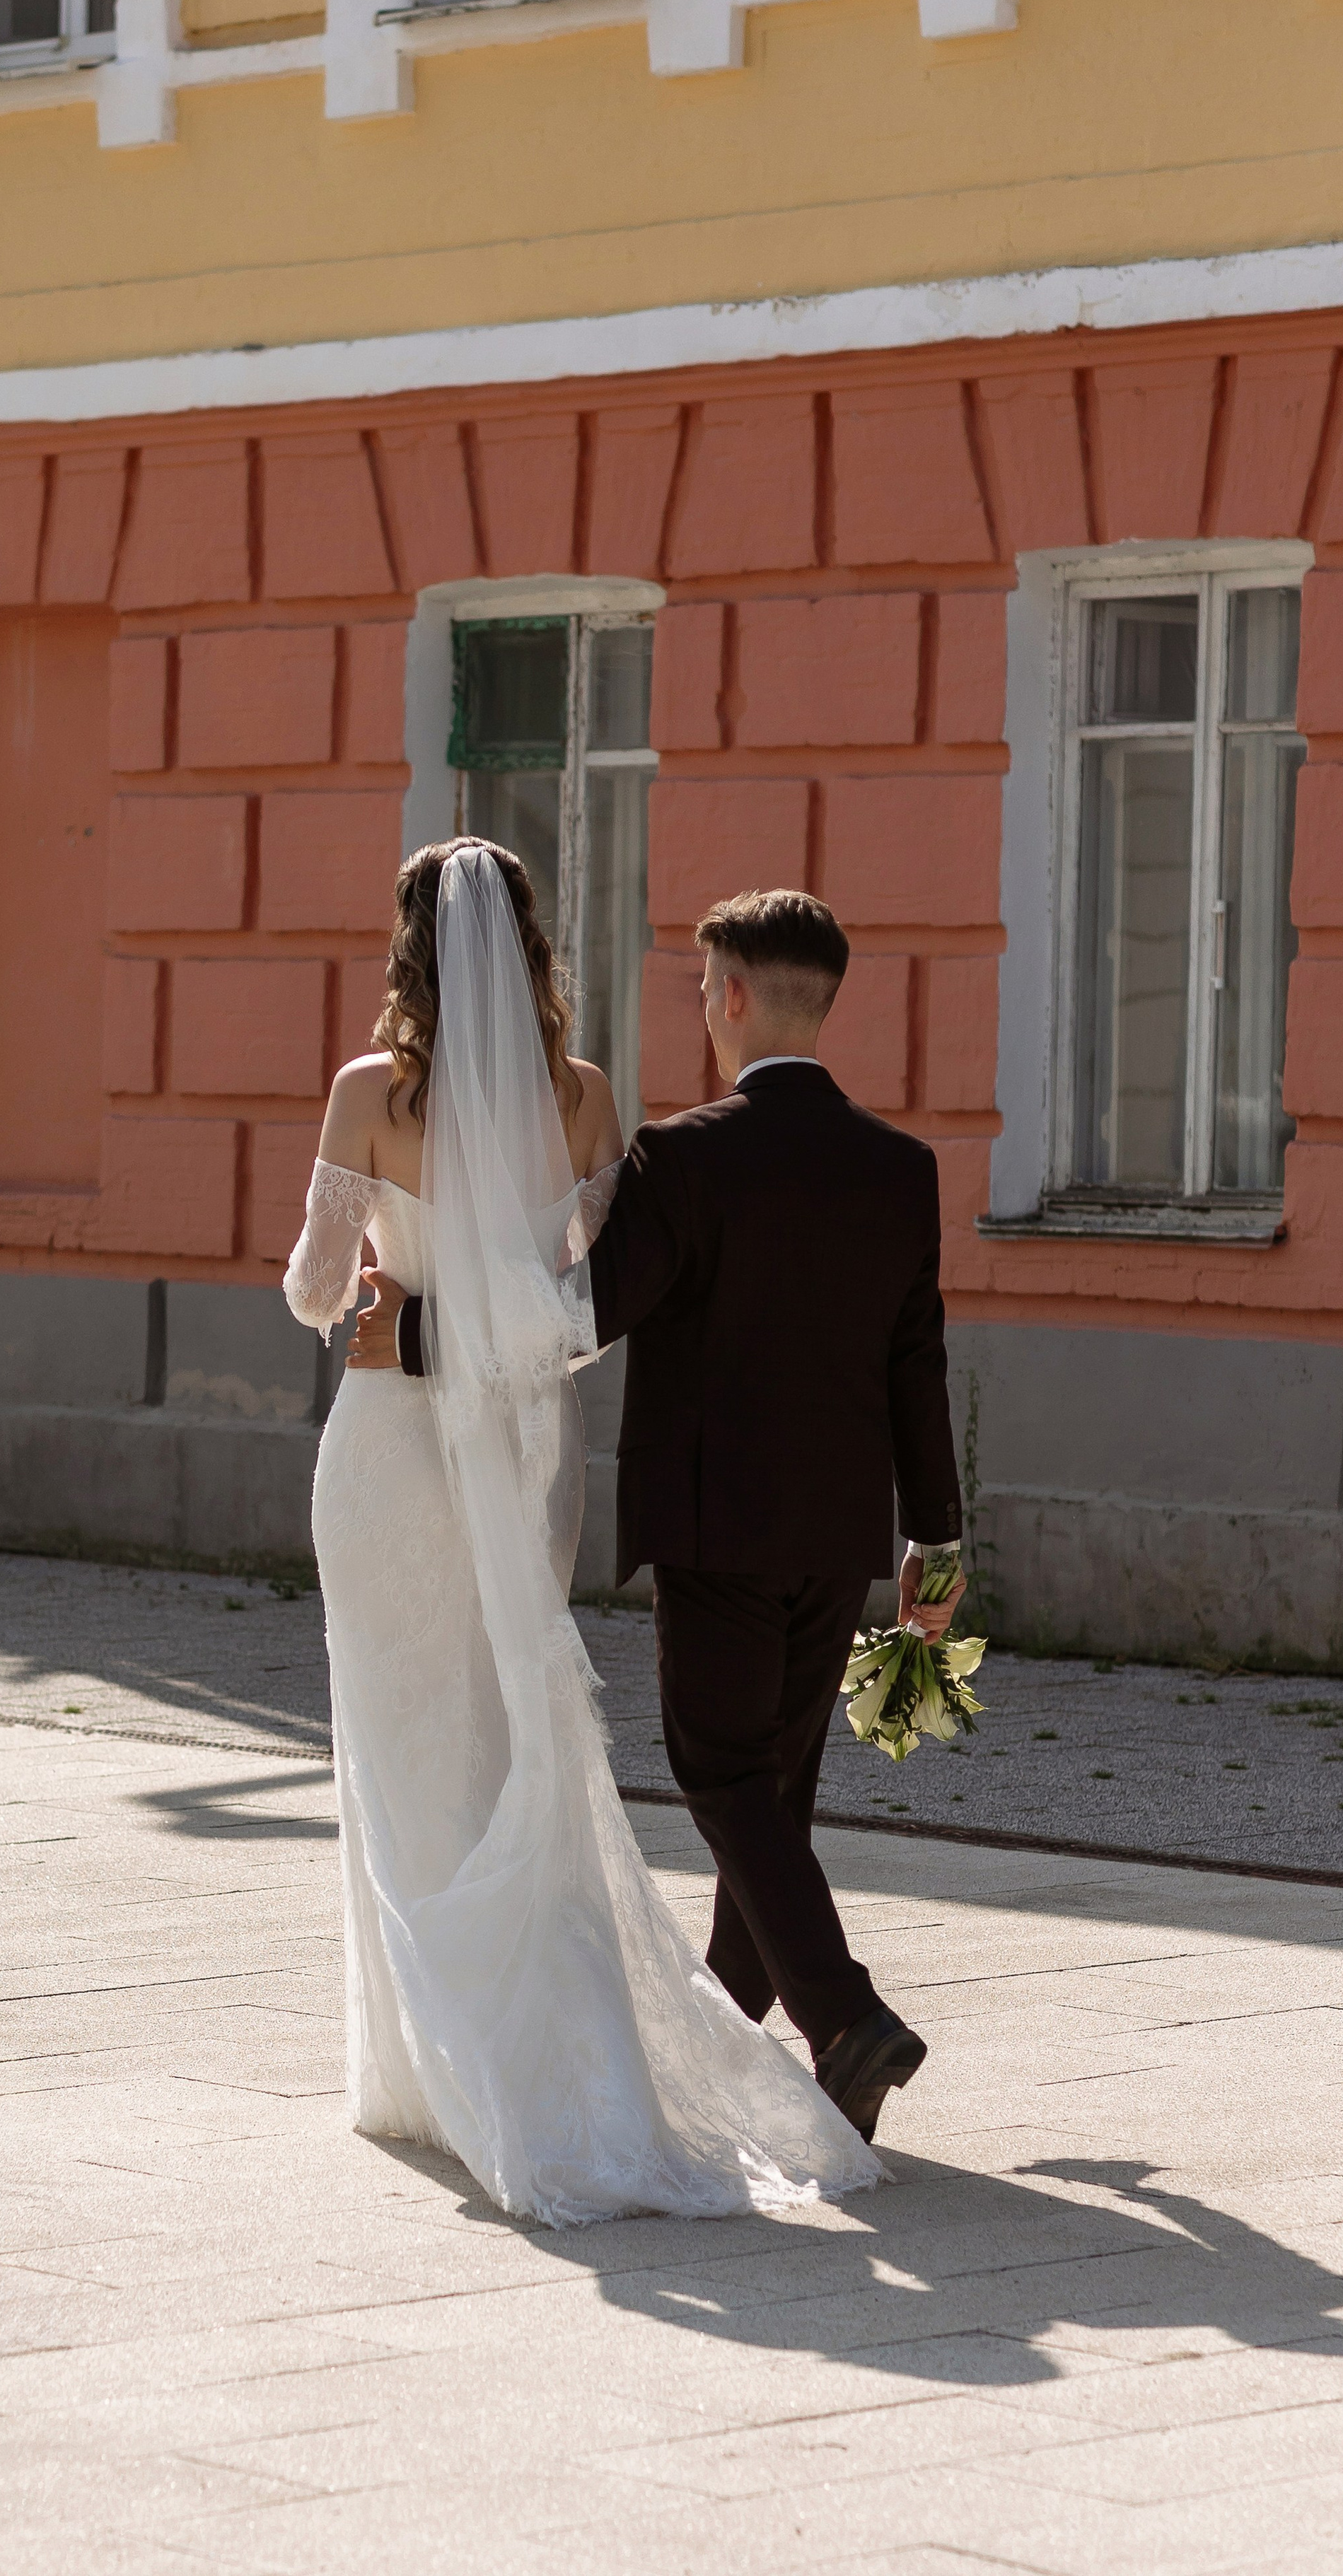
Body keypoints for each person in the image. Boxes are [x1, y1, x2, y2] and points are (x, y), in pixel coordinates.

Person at [283, 841, 882, 2228]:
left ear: (412, 951)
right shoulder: (586, 1098)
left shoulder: (369, 1093)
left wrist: (381, 1291)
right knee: (503, 1741)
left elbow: (317, 1294)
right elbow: (592, 1297)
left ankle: (433, 2077)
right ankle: (543, 2056)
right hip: (519, 1454)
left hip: (383, 1443)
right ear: (530, 955)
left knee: (396, 1745)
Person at [368, 887, 967, 2144]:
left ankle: (847, 2017)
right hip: (843, 1537)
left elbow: (589, 1312)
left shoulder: (685, 1157)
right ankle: (736, 2040)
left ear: (736, 996)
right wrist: (937, 1541)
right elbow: (920, 1364)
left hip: (713, 1525)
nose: (700, 1009)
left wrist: (418, 1326)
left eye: (703, 988)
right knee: (775, 1791)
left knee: (719, 1772)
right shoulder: (899, 1169)